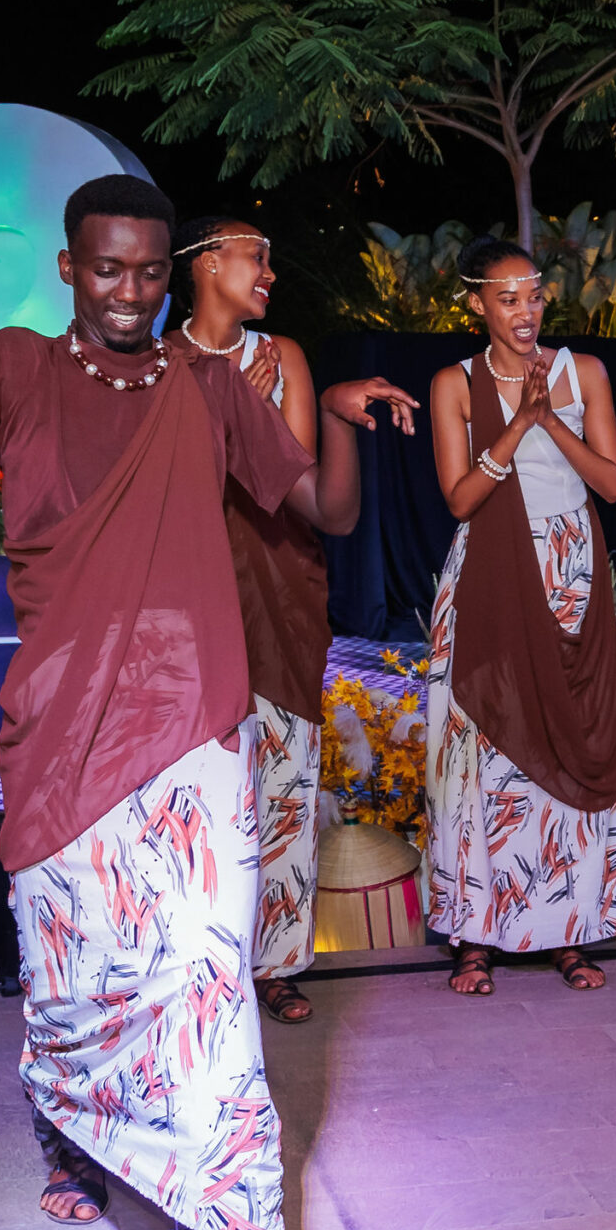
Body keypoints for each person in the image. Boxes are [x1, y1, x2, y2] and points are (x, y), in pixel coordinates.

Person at [0, 174, 399, 1230]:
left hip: (193, 717)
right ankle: (72, 1124)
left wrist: (341, 419)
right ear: (69, 268)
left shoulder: (209, 386)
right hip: (61, 723)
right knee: (78, 968)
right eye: (108, 269)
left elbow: (322, 509)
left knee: (205, 979)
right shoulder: (11, 367)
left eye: (150, 272)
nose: (130, 292)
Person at [166, 215, 419, 1026]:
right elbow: (170, 497)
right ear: (207, 264)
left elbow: (317, 505)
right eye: (255, 257)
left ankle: (274, 964)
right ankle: (194, 959)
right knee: (192, 794)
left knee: (282, 785)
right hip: (191, 606)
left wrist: (337, 419)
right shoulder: (159, 363)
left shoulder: (286, 358)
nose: (270, 272)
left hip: (279, 595)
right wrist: (232, 404)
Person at [423, 237, 616, 995]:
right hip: (489, 568)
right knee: (481, 758)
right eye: (507, 298)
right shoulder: (455, 382)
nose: (525, 311)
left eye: (534, 296)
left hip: (569, 571)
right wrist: (517, 424)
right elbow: (459, 499)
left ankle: (567, 931)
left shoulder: (586, 372)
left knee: (568, 745)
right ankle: (475, 935)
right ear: (476, 303)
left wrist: (551, 420)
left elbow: (613, 483)